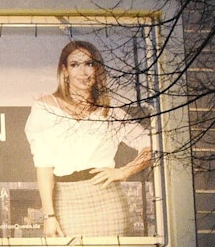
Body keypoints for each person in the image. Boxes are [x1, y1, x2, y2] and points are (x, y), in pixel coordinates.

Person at [23, 40, 154, 237]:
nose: (83, 72)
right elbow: (43, 166)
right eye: (75, 65)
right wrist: (49, 216)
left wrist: (124, 172)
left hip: (108, 202)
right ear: (64, 70)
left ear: (97, 69)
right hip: (66, 202)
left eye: (89, 64)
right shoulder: (45, 108)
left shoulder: (110, 111)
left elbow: (151, 146)